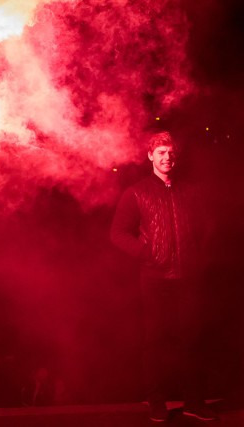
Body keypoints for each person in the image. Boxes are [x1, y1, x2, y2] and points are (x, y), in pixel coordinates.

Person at [110, 131, 217, 422]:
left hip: (188, 278)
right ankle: (156, 401)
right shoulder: (136, 192)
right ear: (150, 156)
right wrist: (145, 252)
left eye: (170, 153)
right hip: (155, 278)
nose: (167, 158)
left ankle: (194, 401)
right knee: (155, 342)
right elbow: (118, 233)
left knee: (192, 340)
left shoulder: (190, 191)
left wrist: (198, 258)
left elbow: (207, 229)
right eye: (160, 153)